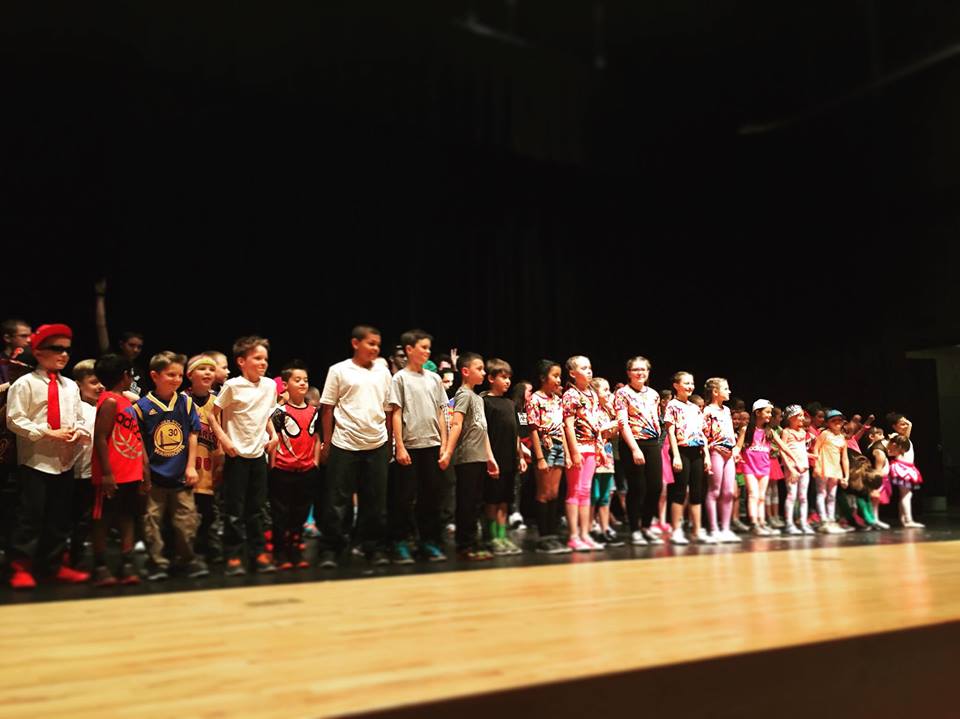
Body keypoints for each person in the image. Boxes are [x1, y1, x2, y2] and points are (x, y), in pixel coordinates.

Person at [5, 324, 91, 588]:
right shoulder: (25, 384)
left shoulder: (70, 386)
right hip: (36, 461)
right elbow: (15, 419)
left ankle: (52, 565)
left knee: (58, 517)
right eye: (56, 349)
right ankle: (21, 566)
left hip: (64, 461)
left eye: (66, 350)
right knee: (30, 516)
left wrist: (78, 432)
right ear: (39, 352)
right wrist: (46, 432)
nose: (63, 354)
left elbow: (79, 417)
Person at [316, 326, 393, 569]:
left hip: (376, 444)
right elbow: (327, 408)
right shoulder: (339, 370)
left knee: (375, 501)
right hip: (345, 444)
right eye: (370, 343)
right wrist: (327, 442)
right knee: (337, 500)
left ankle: (373, 547)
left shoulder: (383, 372)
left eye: (377, 344)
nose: (375, 348)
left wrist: (390, 442)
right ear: (355, 343)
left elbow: (388, 410)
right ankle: (331, 548)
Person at [135, 351, 208, 580]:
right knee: (152, 521)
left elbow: (193, 434)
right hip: (154, 477)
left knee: (186, 521)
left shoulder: (186, 403)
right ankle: (157, 562)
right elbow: (139, 443)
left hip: (180, 476)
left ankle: (187, 560)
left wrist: (190, 466)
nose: (176, 379)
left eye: (179, 375)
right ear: (155, 376)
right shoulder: (141, 407)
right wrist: (144, 473)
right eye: (170, 375)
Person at [210, 337, 279, 575]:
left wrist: (274, 435)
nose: (263, 363)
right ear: (241, 361)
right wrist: (224, 440)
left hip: (258, 454)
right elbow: (212, 415)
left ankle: (258, 553)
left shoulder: (269, 386)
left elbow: (265, 415)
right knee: (234, 510)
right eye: (257, 358)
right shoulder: (233, 386)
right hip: (237, 455)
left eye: (265, 359)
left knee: (257, 508)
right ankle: (233, 555)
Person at [439, 352, 499, 560]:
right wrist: (448, 451)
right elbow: (456, 423)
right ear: (465, 371)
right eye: (479, 369)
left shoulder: (477, 398)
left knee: (475, 503)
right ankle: (465, 545)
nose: (483, 372)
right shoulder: (463, 394)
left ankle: (473, 542)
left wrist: (490, 457)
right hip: (467, 457)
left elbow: (482, 430)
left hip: (479, 457)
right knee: (466, 502)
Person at [90, 354, 144, 585]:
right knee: (103, 519)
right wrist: (107, 473)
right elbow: (100, 438)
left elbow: (135, 436)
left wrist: (144, 468)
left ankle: (126, 562)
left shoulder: (125, 402)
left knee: (127, 516)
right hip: (112, 472)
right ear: (125, 376)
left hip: (131, 470)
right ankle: (100, 565)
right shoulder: (110, 401)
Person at [269, 360, 320, 569]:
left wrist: (315, 462)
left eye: (305, 380)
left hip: (306, 470)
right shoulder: (279, 411)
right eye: (297, 380)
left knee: (300, 513)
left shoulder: (314, 411)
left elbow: (316, 437)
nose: (302, 383)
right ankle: (280, 551)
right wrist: (273, 466)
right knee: (281, 513)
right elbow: (273, 438)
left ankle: (296, 549)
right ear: (285, 385)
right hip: (283, 470)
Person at [614, 356, 664, 546]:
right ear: (629, 373)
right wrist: (634, 449)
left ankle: (646, 526)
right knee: (637, 488)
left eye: (643, 369)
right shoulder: (623, 393)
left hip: (652, 443)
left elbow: (655, 419)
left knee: (656, 487)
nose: (640, 373)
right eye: (636, 369)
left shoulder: (653, 394)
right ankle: (635, 529)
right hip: (632, 444)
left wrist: (658, 442)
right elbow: (623, 423)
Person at [525, 359, 571, 554]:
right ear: (544, 378)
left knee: (554, 493)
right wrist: (540, 458)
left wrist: (567, 453)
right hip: (544, 447)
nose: (559, 380)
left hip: (558, 446)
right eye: (555, 376)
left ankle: (552, 535)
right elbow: (533, 429)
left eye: (560, 376)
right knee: (543, 493)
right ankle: (543, 537)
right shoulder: (534, 399)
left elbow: (561, 428)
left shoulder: (557, 400)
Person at [663, 371, 712, 545]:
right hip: (681, 451)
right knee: (680, 491)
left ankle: (697, 530)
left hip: (696, 451)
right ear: (676, 385)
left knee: (697, 492)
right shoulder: (672, 405)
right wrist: (676, 455)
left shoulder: (695, 408)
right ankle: (676, 530)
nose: (690, 386)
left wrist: (706, 455)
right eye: (686, 383)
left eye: (692, 383)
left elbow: (702, 433)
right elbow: (671, 432)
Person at [482, 358, 525, 555]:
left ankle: (502, 536)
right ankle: (491, 537)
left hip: (510, 460)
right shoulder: (485, 402)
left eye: (509, 378)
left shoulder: (510, 404)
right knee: (492, 499)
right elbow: (483, 433)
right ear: (491, 378)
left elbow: (516, 434)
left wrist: (521, 456)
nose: (507, 381)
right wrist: (489, 458)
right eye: (503, 377)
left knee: (505, 500)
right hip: (493, 460)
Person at [701, 377, 741, 543]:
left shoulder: (726, 410)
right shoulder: (707, 411)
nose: (729, 391)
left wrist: (735, 449)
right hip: (716, 451)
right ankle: (713, 529)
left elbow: (730, 432)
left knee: (729, 492)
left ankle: (725, 528)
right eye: (726, 388)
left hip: (728, 453)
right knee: (714, 491)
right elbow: (703, 434)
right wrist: (707, 454)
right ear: (715, 392)